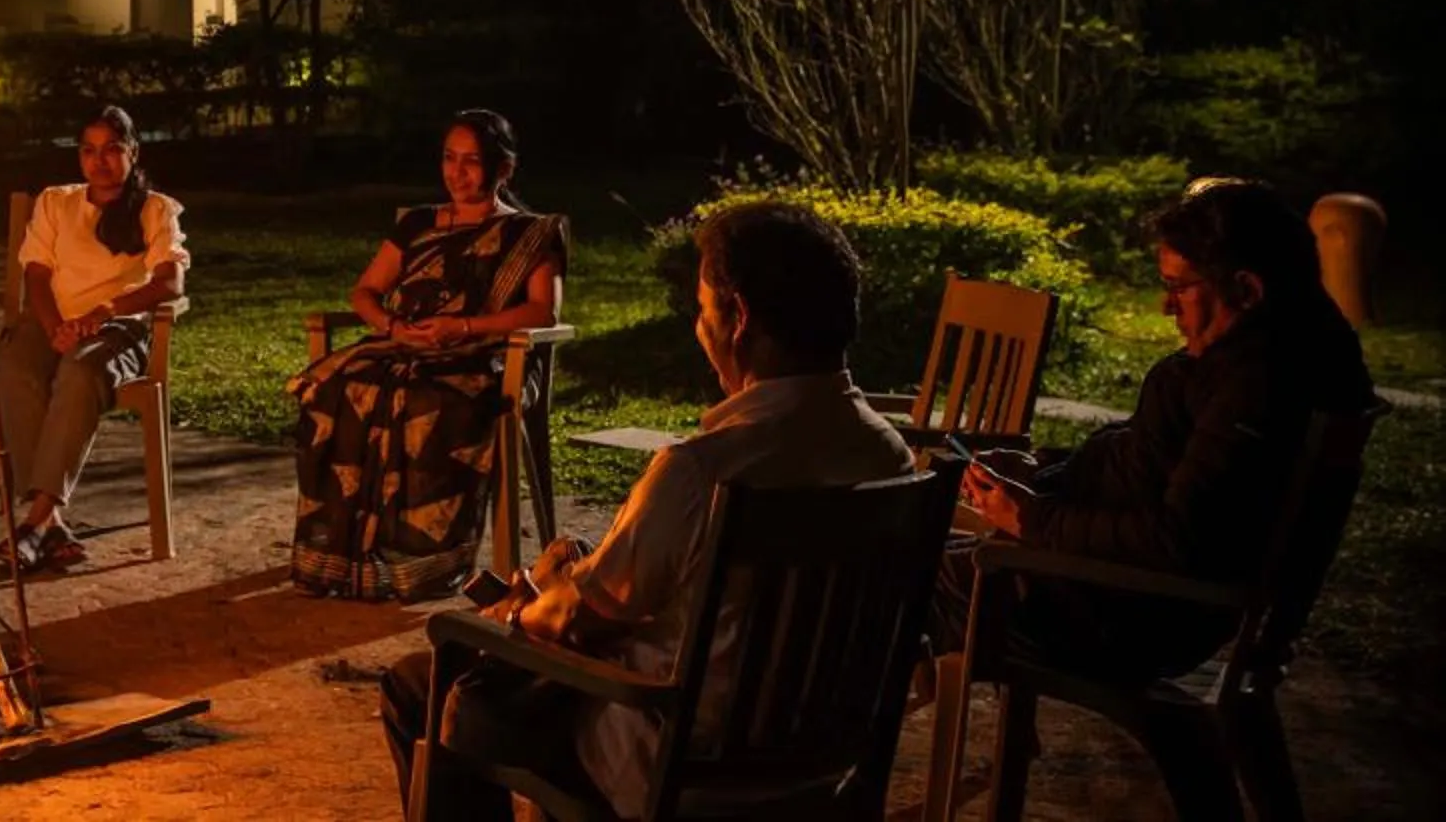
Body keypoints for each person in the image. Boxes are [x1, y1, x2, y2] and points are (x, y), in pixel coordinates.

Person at [379, 200, 913, 821]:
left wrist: (534, 605)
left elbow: (582, 617)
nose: (700, 329)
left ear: (738, 319)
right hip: (823, 765)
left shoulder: (702, 471)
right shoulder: (889, 454)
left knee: (428, 683)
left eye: (703, 309)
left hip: (673, 764)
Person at [946, 177, 1375, 678]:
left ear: (1246, 289)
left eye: (1178, 287)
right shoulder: (1264, 355)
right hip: (1104, 587)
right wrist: (1044, 472)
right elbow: (1147, 464)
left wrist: (1031, 519)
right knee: (914, 554)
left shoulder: (1261, 386)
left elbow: (1175, 540)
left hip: (1118, 613)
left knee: (889, 573)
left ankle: (853, 737)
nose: (1165, 307)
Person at [289, 109, 567, 600]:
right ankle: (339, 554)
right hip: (404, 345)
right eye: (448, 159)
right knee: (335, 390)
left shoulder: (529, 234)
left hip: (483, 359)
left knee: (424, 403)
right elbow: (365, 293)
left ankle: (415, 563)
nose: (456, 173)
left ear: (503, 169)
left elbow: (543, 311)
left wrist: (461, 327)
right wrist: (395, 327)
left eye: (471, 162)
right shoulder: (418, 223)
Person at [0, 104, 189, 572]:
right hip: (53, 320)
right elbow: (36, 276)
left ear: (133, 153)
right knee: (16, 366)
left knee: (80, 371)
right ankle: (51, 525)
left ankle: (34, 524)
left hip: (117, 327)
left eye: (112, 150)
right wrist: (55, 327)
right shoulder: (56, 202)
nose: (99, 161)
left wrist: (107, 310)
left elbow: (170, 284)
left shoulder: (155, 209)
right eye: (89, 150)